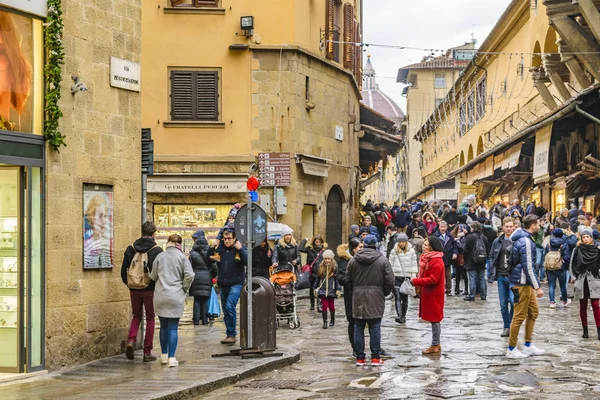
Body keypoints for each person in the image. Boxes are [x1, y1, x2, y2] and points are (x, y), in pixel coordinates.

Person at [347, 235, 394, 366]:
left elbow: (347, 279)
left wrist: (355, 290)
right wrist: (383, 292)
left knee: (358, 327)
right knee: (375, 327)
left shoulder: (353, 260)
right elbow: (390, 280)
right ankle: (375, 358)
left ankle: (360, 358)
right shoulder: (383, 260)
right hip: (376, 296)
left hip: (358, 296)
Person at [121, 221, 163, 362]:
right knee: (150, 318)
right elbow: (160, 272)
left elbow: (123, 270)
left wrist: (130, 284)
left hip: (134, 288)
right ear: (153, 233)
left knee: (136, 315)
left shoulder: (131, 248)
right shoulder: (157, 250)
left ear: (142, 232)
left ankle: (131, 341)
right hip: (149, 289)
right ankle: (147, 352)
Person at [150, 234, 194, 367]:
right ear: (179, 244)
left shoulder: (160, 256)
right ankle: (171, 357)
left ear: (168, 242)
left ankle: (163, 355)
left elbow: (153, 276)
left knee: (163, 326)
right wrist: (184, 288)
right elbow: (190, 275)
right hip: (176, 295)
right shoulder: (182, 258)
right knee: (173, 327)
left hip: (161, 295)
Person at [506, 215, 544, 358]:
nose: (539, 227)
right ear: (533, 225)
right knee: (519, 315)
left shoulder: (525, 239)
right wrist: (537, 287)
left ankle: (528, 344)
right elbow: (528, 266)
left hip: (525, 283)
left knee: (533, 312)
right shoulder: (526, 241)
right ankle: (511, 348)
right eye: (538, 224)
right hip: (521, 283)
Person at [209, 229, 248, 345]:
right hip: (223, 283)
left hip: (236, 283)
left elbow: (247, 261)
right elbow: (207, 258)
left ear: (234, 238)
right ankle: (230, 334)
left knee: (230, 305)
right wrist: (212, 247)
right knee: (226, 310)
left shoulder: (239, 249)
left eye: (229, 238)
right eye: (225, 238)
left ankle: (232, 334)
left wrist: (240, 249)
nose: (226, 241)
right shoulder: (220, 250)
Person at [411, 236, 445, 354]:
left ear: (432, 247)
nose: (423, 246)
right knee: (434, 319)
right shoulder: (429, 259)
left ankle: (435, 344)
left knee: (435, 319)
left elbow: (433, 279)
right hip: (429, 293)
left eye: (426, 245)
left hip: (434, 294)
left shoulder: (436, 261)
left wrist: (416, 281)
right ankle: (436, 343)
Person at [570, 228, 600, 339]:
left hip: (594, 279)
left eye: (587, 237)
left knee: (596, 305)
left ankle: (599, 330)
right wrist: (574, 277)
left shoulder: (597, 249)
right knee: (583, 306)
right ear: (581, 239)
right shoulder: (577, 249)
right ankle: (585, 330)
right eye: (584, 237)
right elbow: (572, 263)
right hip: (582, 279)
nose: (586, 239)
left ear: (591, 238)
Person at [488, 217, 516, 337]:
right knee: (503, 304)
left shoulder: (517, 240)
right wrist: (492, 270)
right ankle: (506, 326)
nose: (509, 229)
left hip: (513, 276)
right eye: (507, 226)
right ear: (503, 227)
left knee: (513, 301)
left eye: (511, 226)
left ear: (514, 227)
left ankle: (512, 325)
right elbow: (491, 256)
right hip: (500, 275)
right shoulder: (497, 241)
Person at [337, 238, 363, 353]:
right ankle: (355, 347)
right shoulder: (344, 261)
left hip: (362, 295)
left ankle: (360, 346)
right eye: (360, 247)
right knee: (352, 320)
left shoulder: (363, 259)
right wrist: (353, 282)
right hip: (351, 294)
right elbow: (341, 278)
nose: (362, 249)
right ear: (353, 249)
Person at [189, 230, 218, 325]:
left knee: (196, 300)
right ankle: (205, 320)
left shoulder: (193, 254)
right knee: (205, 299)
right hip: (206, 278)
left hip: (196, 278)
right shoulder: (210, 253)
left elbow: (189, 266)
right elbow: (214, 268)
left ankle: (196, 320)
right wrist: (212, 276)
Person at [389, 233, 418, 323]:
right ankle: (400, 315)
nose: (401, 244)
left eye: (403, 242)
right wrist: (391, 275)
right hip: (396, 276)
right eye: (399, 242)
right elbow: (390, 263)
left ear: (406, 242)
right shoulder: (394, 251)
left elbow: (414, 263)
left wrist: (413, 276)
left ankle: (403, 316)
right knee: (397, 296)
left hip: (406, 277)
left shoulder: (411, 251)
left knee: (404, 297)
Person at [313, 249, 341, 329]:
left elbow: (337, 279)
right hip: (323, 289)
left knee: (331, 306)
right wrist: (315, 287)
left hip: (331, 289)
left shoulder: (335, 267)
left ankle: (332, 319)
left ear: (331, 259)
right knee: (324, 306)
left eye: (328, 259)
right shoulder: (321, 267)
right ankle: (325, 322)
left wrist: (338, 289)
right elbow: (318, 278)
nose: (327, 260)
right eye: (325, 259)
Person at [300, 234, 327, 311]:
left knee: (320, 289)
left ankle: (319, 305)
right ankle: (312, 304)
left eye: (318, 242)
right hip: (311, 272)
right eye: (316, 242)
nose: (317, 243)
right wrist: (304, 240)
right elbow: (301, 249)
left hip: (320, 272)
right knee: (312, 289)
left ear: (321, 242)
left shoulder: (324, 250)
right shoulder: (310, 249)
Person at [463, 221, 489, 301]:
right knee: (482, 278)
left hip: (471, 262)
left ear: (473, 228)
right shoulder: (484, 237)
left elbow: (465, 250)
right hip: (482, 261)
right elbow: (487, 249)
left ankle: (472, 295)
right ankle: (483, 295)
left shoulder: (469, 237)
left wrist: (466, 259)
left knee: (472, 278)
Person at [544, 228, 569, 309]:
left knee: (551, 284)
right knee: (562, 285)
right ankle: (564, 301)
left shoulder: (549, 243)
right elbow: (566, 256)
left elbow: (546, 253)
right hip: (561, 267)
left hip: (550, 267)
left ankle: (552, 302)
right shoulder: (564, 244)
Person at [433, 221, 457, 296]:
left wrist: (455, 253)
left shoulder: (450, 236)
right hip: (438, 258)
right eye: (441, 227)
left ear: (446, 227)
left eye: (444, 227)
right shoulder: (435, 236)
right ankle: (439, 289)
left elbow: (455, 246)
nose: (443, 228)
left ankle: (448, 289)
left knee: (448, 275)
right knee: (439, 275)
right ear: (439, 227)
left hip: (448, 258)